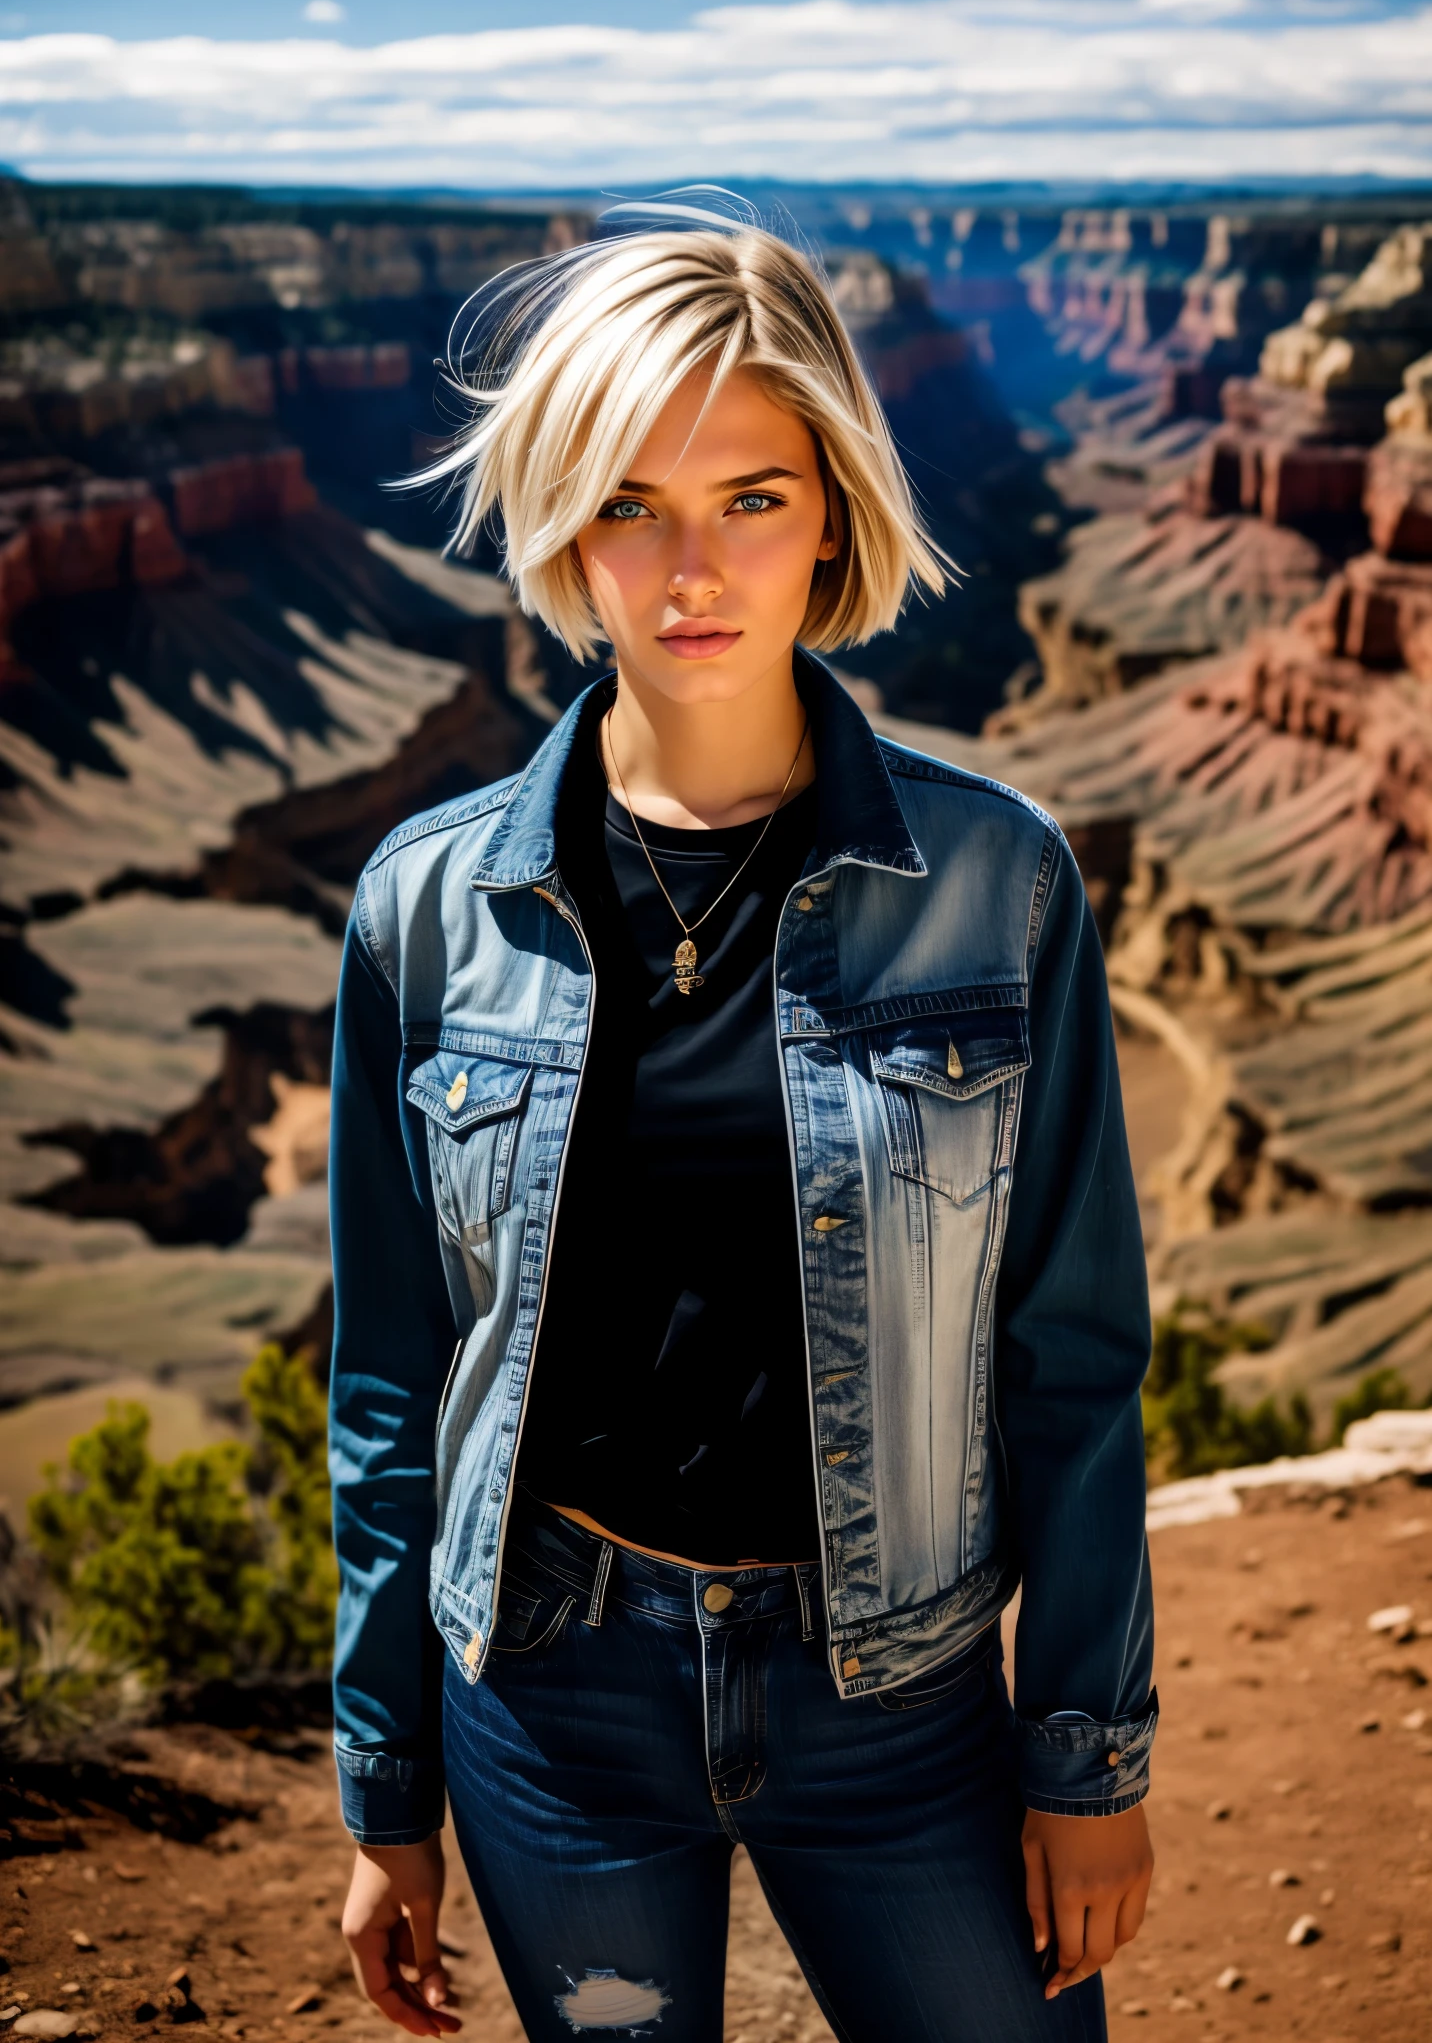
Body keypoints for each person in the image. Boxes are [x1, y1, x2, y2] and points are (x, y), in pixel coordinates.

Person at [329, 213, 1156, 2043]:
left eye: (753, 498)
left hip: (906, 1698)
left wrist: (1085, 1759)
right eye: (628, 504)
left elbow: (1076, 1357)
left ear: (839, 514)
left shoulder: (995, 883)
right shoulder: (426, 909)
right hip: (554, 1710)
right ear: (557, 527)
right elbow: (394, 1382)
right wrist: (388, 1796)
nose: (690, 568)